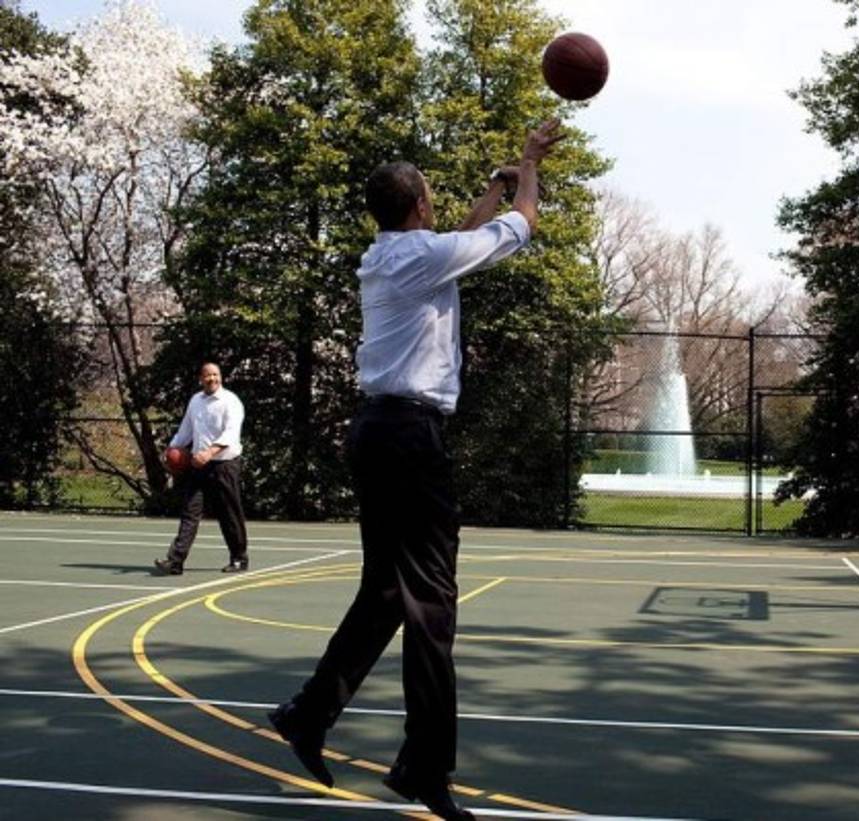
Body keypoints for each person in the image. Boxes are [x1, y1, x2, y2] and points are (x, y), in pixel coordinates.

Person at [268, 119, 565, 820]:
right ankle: (424, 766)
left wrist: (490, 190)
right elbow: (522, 227)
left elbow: (461, 238)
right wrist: (526, 166)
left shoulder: (394, 255)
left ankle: (309, 714)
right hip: (408, 437)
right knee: (431, 605)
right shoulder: (420, 258)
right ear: (420, 208)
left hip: (377, 431)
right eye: (432, 197)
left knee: (384, 594)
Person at [154, 362, 249, 575]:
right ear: (201, 378)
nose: (212, 379)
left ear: (221, 377)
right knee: (190, 511)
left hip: (224, 464)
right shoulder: (196, 401)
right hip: (198, 466)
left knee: (229, 513)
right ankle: (175, 560)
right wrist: (170, 450)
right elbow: (185, 431)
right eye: (208, 376)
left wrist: (210, 452)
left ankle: (239, 558)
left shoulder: (230, 401)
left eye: (216, 375)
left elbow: (231, 434)